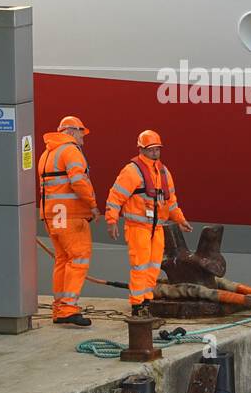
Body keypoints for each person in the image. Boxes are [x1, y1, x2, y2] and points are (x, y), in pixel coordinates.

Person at [105, 129, 193, 316]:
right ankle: (137, 305)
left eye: (157, 149)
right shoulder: (132, 171)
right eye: (151, 149)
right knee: (140, 265)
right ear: (141, 149)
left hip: (157, 228)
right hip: (138, 228)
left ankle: (146, 300)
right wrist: (111, 220)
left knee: (153, 266)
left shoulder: (163, 172)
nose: (154, 153)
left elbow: (171, 201)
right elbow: (116, 196)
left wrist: (180, 219)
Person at [38, 115, 100, 326]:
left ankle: (59, 307)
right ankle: (68, 308)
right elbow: (79, 181)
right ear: (72, 131)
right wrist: (92, 205)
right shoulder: (71, 151)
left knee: (62, 259)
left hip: (52, 214)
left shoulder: (47, 153)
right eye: (82, 132)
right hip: (70, 214)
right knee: (79, 258)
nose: (83, 136)